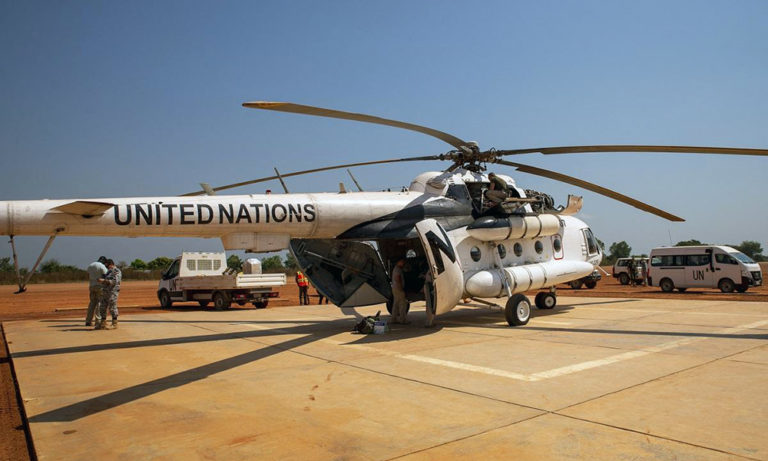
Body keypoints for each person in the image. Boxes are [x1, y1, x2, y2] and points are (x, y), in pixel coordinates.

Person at [95, 259, 121, 330]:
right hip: (105, 292)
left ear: (111, 264)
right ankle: (103, 323)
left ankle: (114, 323)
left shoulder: (116, 271)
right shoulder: (108, 272)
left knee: (112, 307)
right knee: (102, 307)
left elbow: (114, 282)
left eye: (107, 266)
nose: (106, 267)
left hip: (112, 292)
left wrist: (104, 280)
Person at [85, 256, 108, 326]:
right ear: (104, 261)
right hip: (99, 286)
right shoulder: (102, 266)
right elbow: (105, 275)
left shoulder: (90, 265)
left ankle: (88, 321)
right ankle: (98, 321)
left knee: (92, 303)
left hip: (91, 286)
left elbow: (87, 275)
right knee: (99, 304)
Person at [390, 259, 409, 324]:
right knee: (402, 304)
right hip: (398, 288)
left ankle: (393, 319)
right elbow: (397, 278)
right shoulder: (397, 269)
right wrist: (401, 288)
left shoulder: (396, 268)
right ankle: (402, 320)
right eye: (402, 261)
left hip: (395, 288)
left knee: (396, 304)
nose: (403, 263)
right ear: (398, 262)